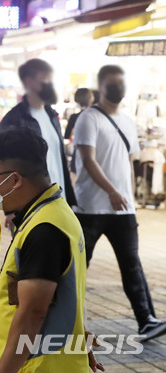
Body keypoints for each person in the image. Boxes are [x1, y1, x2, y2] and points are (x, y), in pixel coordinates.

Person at [0, 128, 101, 373]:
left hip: (38, 366)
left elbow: (32, 313)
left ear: (15, 179)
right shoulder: (55, 211)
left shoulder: (44, 229)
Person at [74, 65, 166, 340]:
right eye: (113, 84)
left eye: (121, 84)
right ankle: (67, 320)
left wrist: (129, 199)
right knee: (78, 266)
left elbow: (128, 163)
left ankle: (146, 320)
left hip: (123, 209)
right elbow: (88, 160)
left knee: (131, 263)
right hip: (91, 207)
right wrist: (112, 191)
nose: (118, 89)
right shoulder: (88, 119)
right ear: (101, 86)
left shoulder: (127, 121)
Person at [0, 59, 76, 209]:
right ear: (29, 82)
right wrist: (11, 208)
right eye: (46, 80)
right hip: (32, 205)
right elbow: (6, 168)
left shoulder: (52, 116)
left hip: (60, 201)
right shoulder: (14, 120)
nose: (50, 85)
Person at [64, 88, 94, 174]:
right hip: (93, 153)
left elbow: (66, 135)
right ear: (90, 99)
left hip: (77, 153)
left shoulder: (74, 117)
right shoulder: (94, 117)